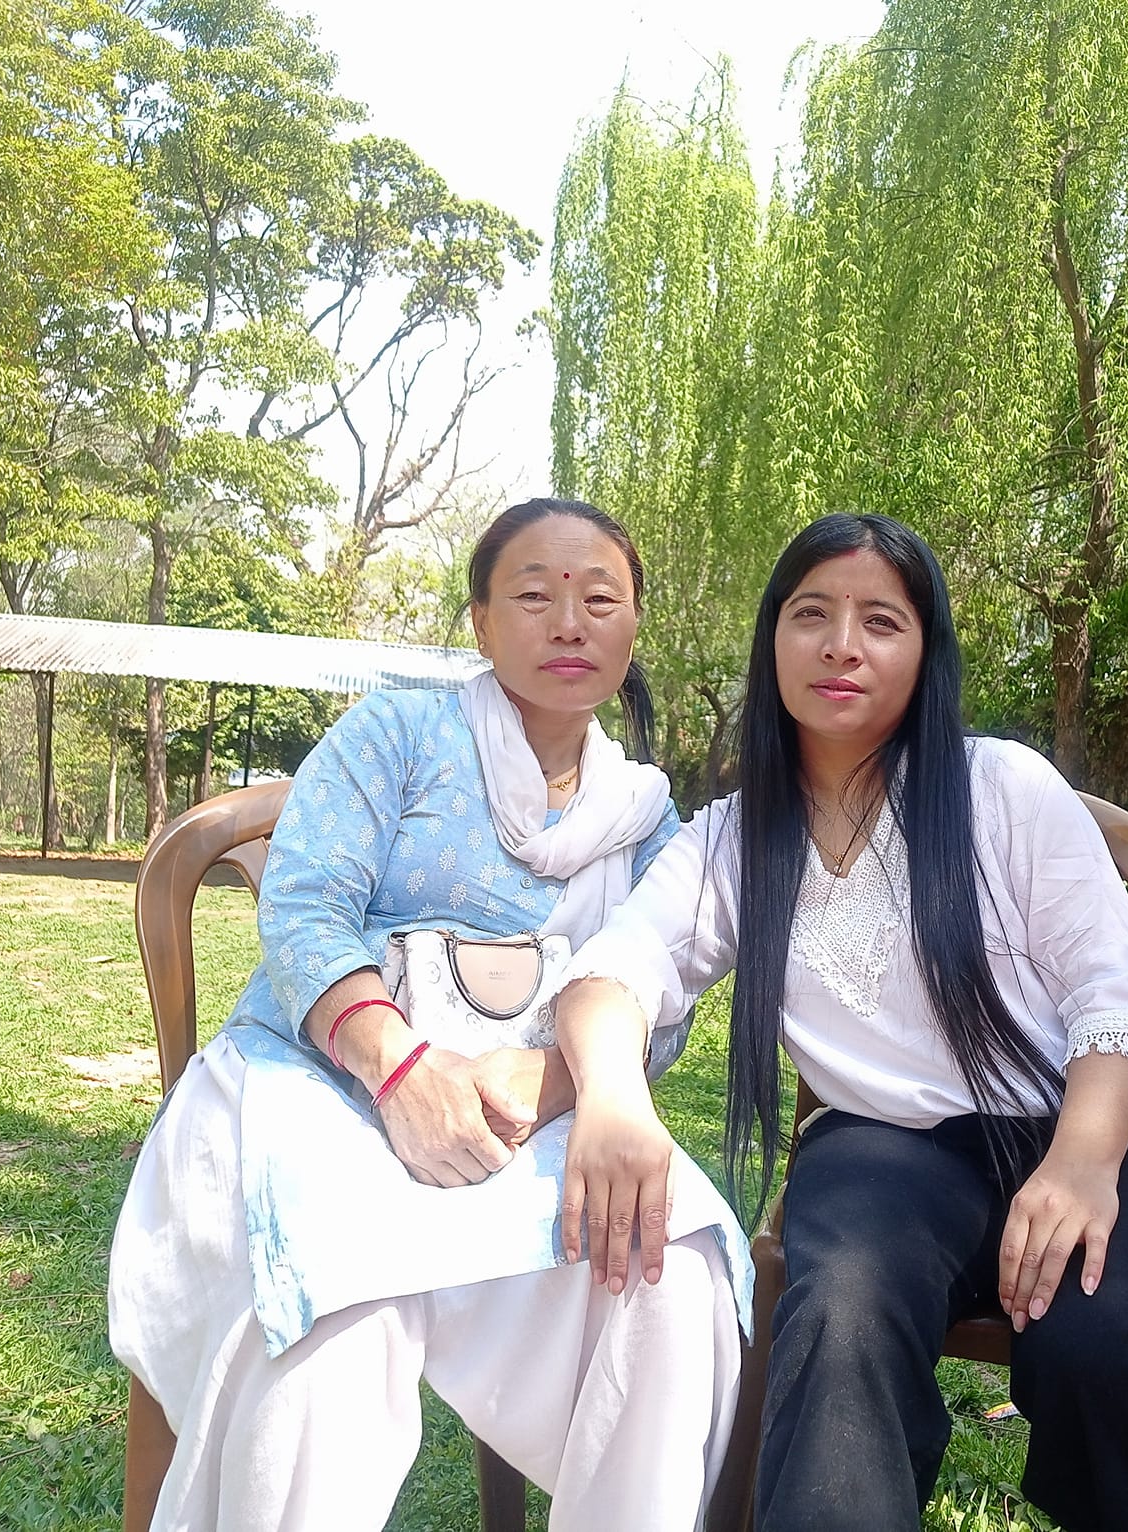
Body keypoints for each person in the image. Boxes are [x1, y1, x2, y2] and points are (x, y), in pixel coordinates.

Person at [553, 513, 1128, 1532]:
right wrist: (612, 1097)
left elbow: (1112, 991)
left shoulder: (1001, 788)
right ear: (772, 638)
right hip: (881, 1155)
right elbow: (612, 972)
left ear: (925, 651)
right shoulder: (736, 840)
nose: (842, 646)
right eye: (811, 615)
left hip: (1082, 1130)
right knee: (840, 1319)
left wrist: (1082, 1162)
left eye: (881, 621)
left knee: (1102, 1354)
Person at [108, 499, 749, 1532]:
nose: (569, 623)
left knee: (670, 1270)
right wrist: (400, 1070)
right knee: (334, 1310)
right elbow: (306, 905)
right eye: (533, 596)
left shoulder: (643, 817)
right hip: (322, 1078)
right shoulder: (395, 735)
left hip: (521, 1112)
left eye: (599, 600)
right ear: (481, 621)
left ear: (634, 627)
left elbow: (653, 1000)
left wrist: (542, 1083)